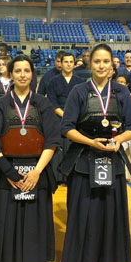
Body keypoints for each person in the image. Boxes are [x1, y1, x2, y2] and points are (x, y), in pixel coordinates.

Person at [60, 43, 131, 262]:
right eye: (97, 61)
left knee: (108, 215)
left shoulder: (122, 92)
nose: (101, 65)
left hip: (112, 162)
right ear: (90, 64)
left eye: (106, 61)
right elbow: (66, 128)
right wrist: (90, 142)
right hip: (84, 161)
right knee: (84, 214)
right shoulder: (78, 92)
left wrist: (119, 142)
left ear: (113, 65)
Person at [0, 55, 60, 262]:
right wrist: (9, 172)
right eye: (18, 71)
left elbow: (52, 141)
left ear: (32, 74)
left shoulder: (43, 104)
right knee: (8, 219)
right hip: (8, 171)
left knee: (35, 219)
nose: (23, 75)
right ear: (11, 74)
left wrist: (36, 171)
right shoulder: (0, 105)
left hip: (38, 170)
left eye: (27, 70)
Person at [47, 52, 84, 184]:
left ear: (74, 64)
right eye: (66, 62)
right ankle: (58, 177)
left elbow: (82, 103)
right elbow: (52, 102)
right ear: (60, 64)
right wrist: (65, 115)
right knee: (58, 148)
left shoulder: (80, 82)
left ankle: (71, 177)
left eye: (71, 62)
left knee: (73, 147)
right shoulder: (53, 81)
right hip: (58, 118)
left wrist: (72, 116)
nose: (68, 64)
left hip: (76, 119)